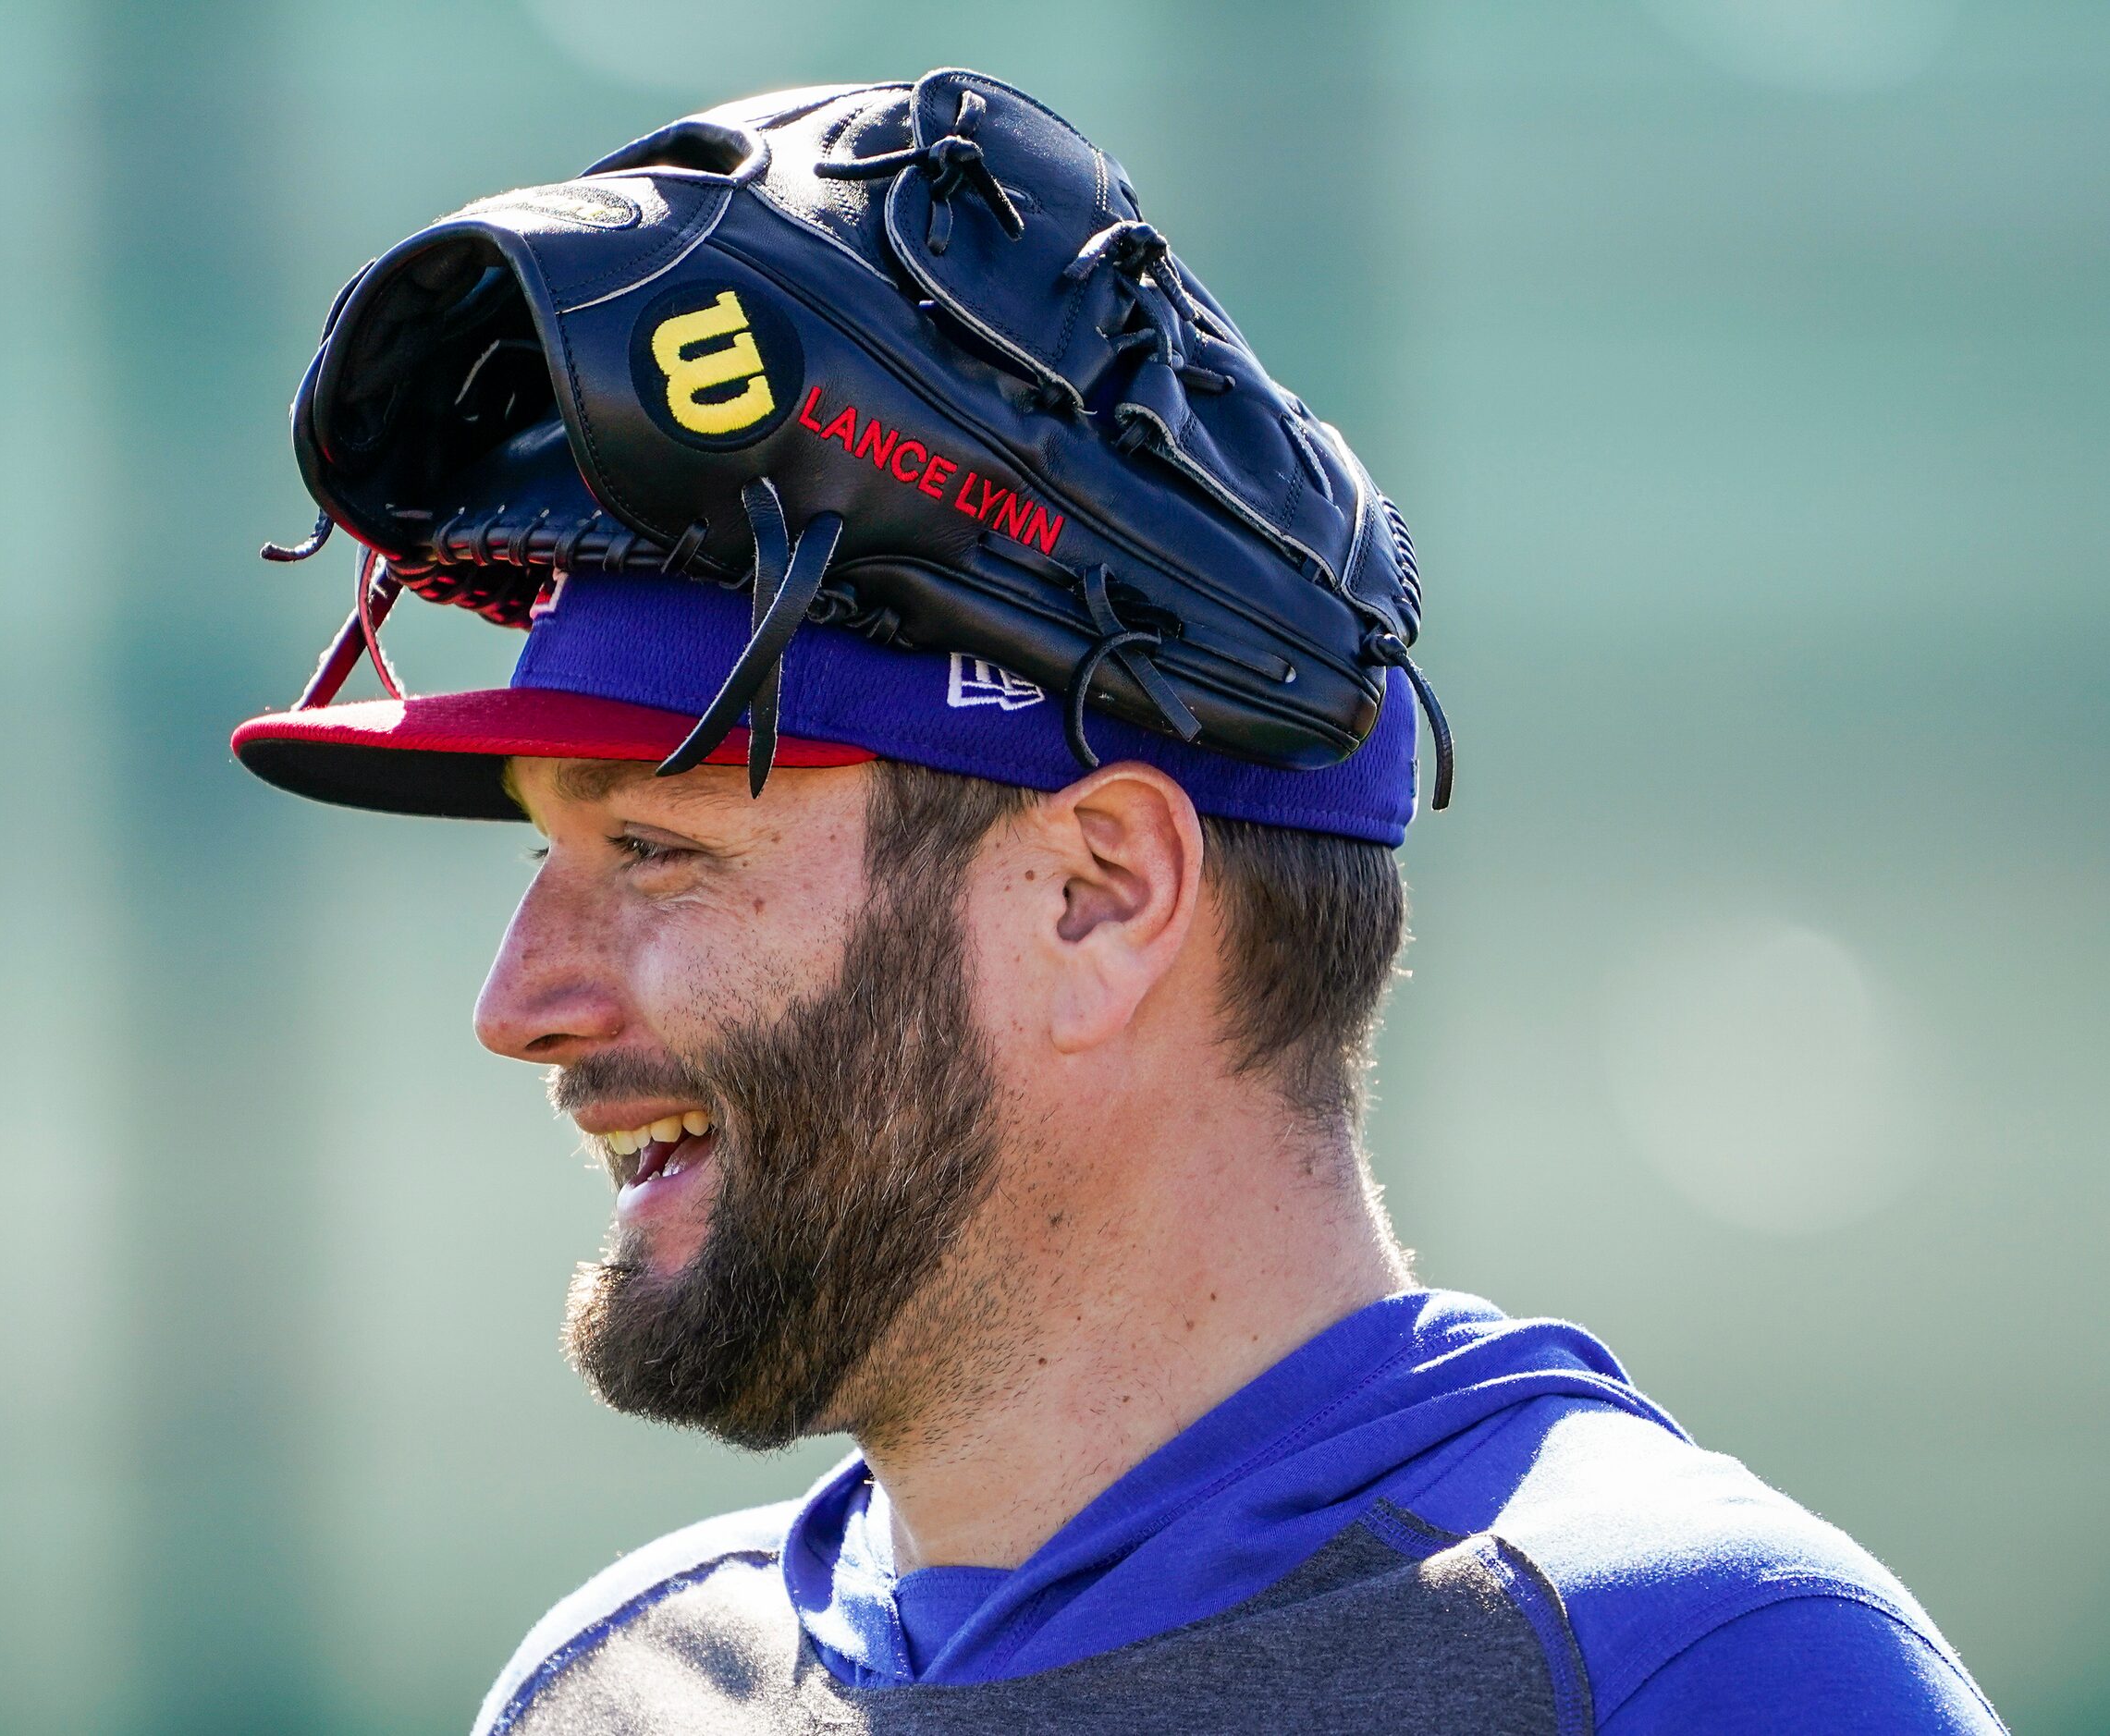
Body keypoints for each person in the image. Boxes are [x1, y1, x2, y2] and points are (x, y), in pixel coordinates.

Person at [231, 72, 2005, 1736]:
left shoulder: (1680, 1666)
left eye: (659, 850)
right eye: (541, 851)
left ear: (1098, 895)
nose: (520, 996)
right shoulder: (612, 1689)